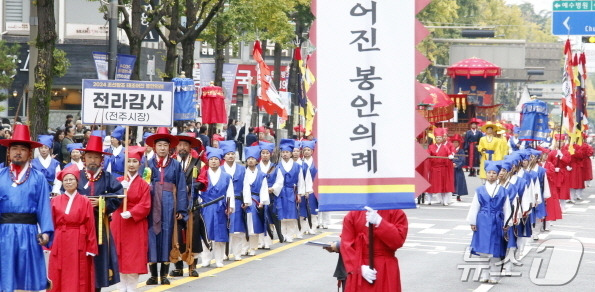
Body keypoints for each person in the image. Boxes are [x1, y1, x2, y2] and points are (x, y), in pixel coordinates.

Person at [0, 124, 54, 292]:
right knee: (5, 275)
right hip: (3, 232)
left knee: (27, 277)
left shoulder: (38, 178)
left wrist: (46, 231)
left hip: (29, 232)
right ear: (8, 152)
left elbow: (44, 206)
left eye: (22, 149)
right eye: (14, 148)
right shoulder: (0, 175)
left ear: (29, 153)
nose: (18, 152)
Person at [76, 135, 124, 290]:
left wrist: (101, 203)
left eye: (96, 158)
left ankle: (97, 287)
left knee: (99, 260)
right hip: (80, 226)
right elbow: (66, 196)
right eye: (89, 157)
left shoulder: (108, 178)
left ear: (101, 160)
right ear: (84, 158)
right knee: (80, 260)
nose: (92, 161)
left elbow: (118, 196)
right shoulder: (76, 177)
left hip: (99, 225)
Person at [145, 127, 188, 285]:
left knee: (167, 236)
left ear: (170, 147)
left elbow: (182, 187)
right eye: (159, 145)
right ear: (154, 147)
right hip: (151, 203)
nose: (162, 148)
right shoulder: (148, 164)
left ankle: (163, 275)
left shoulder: (175, 165)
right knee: (152, 236)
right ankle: (153, 275)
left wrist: (181, 209)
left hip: (170, 203)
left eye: (165, 145)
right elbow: (143, 186)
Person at [49, 165, 98, 292]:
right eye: (65, 180)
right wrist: (48, 242)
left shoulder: (84, 200)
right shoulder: (55, 200)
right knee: (60, 272)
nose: (68, 182)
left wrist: (91, 246)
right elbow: (51, 224)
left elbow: (90, 225)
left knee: (78, 272)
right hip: (61, 239)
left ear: (77, 182)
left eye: (71, 179)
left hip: (79, 240)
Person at [110, 146, 151, 292]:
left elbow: (146, 204)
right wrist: (119, 190)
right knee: (118, 254)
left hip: (135, 223)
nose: (132, 164)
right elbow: (110, 200)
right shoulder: (118, 181)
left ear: (139, 164)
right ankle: (121, 287)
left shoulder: (143, 184)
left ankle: (132, 287)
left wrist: (133, 212)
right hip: (119, 221)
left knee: (133, 255)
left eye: (135, 161)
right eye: (129, 161)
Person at [340, 207, 408, 292]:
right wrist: (359, 267)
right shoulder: (353, 214)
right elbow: (346, 245)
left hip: (386, 268)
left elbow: (398, 241)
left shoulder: (396, 212)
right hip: (361, 267)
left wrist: (380, 222)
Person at [466, 161, 511, 284]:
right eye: (489, 173)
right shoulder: (480, 190)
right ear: (486, 174)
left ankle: (494, 275)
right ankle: (484, 274)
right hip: (483, 221)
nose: (491, 175)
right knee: (483, 249)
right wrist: (472, 222)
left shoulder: (503, 190)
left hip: (497, 220)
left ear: (498, 175)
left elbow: (507, 208)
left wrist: (507, 222)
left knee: (495, 249)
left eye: (494, 173)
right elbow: (475, 206)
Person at [169, 133, 207, 278]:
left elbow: (204, 181)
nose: (182, 148)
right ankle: (177, 266)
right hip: (175, 202)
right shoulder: (171, 162)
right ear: (176, 147)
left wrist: (192, 186)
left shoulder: (199, 163)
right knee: (176, 235)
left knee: (193, 234)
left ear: (190, 147)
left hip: (192, 203)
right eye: (180, 145)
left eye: (185, 145)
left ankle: (192, 266)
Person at [199, 147, 235, 268]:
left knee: (220, 234)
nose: (213, 161)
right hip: (206, 208)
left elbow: (230, 193)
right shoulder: (202, 175)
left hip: (220, 208)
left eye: (216, 159)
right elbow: (199, 192)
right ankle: (206, 258)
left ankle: (219, 259)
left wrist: (230, 207)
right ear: (207, 161)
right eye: (211, 159)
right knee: (205, 234)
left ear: (220, 161)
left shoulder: (226, 176)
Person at [270, 139, 311, 242]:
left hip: (292, 191)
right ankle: (283, 234)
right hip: (280, 192)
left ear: (291, 153)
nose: (285, 154)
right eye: (283, 152)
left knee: (292, 215)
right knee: (281, 214)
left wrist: (300, 193)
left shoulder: (297, 166)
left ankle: (290, 235)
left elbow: (301, 180)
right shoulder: (277, 166)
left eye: (287, 152)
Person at [219, 140, 248, 260]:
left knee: (237, 230)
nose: (230, 156)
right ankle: (224, 254)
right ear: (224, 156)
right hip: (223, 203)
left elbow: (246, 185)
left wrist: (246, 200)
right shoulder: (220, 169)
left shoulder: (242, 169)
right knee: (224, 228)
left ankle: (237, 253)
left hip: (237, 201)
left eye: (232, 153)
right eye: (228, 154)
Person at [242, 146, 270, 255]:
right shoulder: (242, 173)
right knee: (244, 225)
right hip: (244, 201)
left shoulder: (262, 174)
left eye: (253, 158)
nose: (250, 160)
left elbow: (264, 188)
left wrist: (262, 202)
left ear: (257, 160)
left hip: (257, 201)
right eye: (248, 158)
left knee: (254, 226)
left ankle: (253, 248)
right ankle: (244, 248)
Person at [426, 128, 455, 205]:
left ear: (442, 138)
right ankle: (429, 200)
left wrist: (450, 156)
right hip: (434, 168)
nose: (438, 139)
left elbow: (449, 153)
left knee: (443, 186)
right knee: (431, 185)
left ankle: (445, 201)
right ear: (435, 139)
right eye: (437, 138)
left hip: (443, 169)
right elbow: (427, 153)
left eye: (440, 138)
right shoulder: (431, 147)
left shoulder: (445, 147)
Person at [299, 140, 319, 234]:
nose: (306, 151)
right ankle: (304, 228)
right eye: (305, 150)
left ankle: (313, 227)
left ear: (312, 151)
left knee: (313, 208)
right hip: (303, 188)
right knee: (303, 209)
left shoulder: (316, 162)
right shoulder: (300, 162)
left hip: (313, 189)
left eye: (308, 150)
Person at [451, 134, 468, 201]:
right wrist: (451, 163)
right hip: (451, 168)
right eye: (454, 142)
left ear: (459, 143)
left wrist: (457, 165)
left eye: (456, 142)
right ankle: (450, 194)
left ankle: (458, 196)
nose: (455, 143)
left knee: (459, 182)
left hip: (458, 169)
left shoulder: (461, 151)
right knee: (451, 181)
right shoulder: (450, 150)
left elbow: (463, 160)